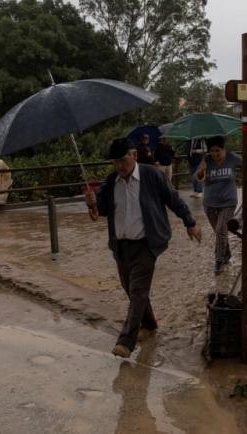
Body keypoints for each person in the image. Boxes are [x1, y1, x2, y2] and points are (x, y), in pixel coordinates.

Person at [85, 138, 202, 358]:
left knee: (138, 291)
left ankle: (126, 342)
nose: (120, 166)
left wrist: (190, 222)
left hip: (146, 244)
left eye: (123, 160)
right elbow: (103, 210)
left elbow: (173, 199)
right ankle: (150, 324)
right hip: (121, 246)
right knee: (132, 290)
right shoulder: (112, 181)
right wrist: (92, 202)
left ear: (134, 156)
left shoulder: (151, 175)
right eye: (115, 162)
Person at [195, 136, 247, 274]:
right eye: (212, 151)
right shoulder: (206, 160)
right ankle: (226, 253)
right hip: (209, 203)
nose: (215, 154)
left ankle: (219, 261)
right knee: (219, 232)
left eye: (218, 151)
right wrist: (201, 170)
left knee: (221, 230)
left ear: (224, 149)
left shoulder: (232, 158)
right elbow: (197, 179)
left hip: (228, 201)